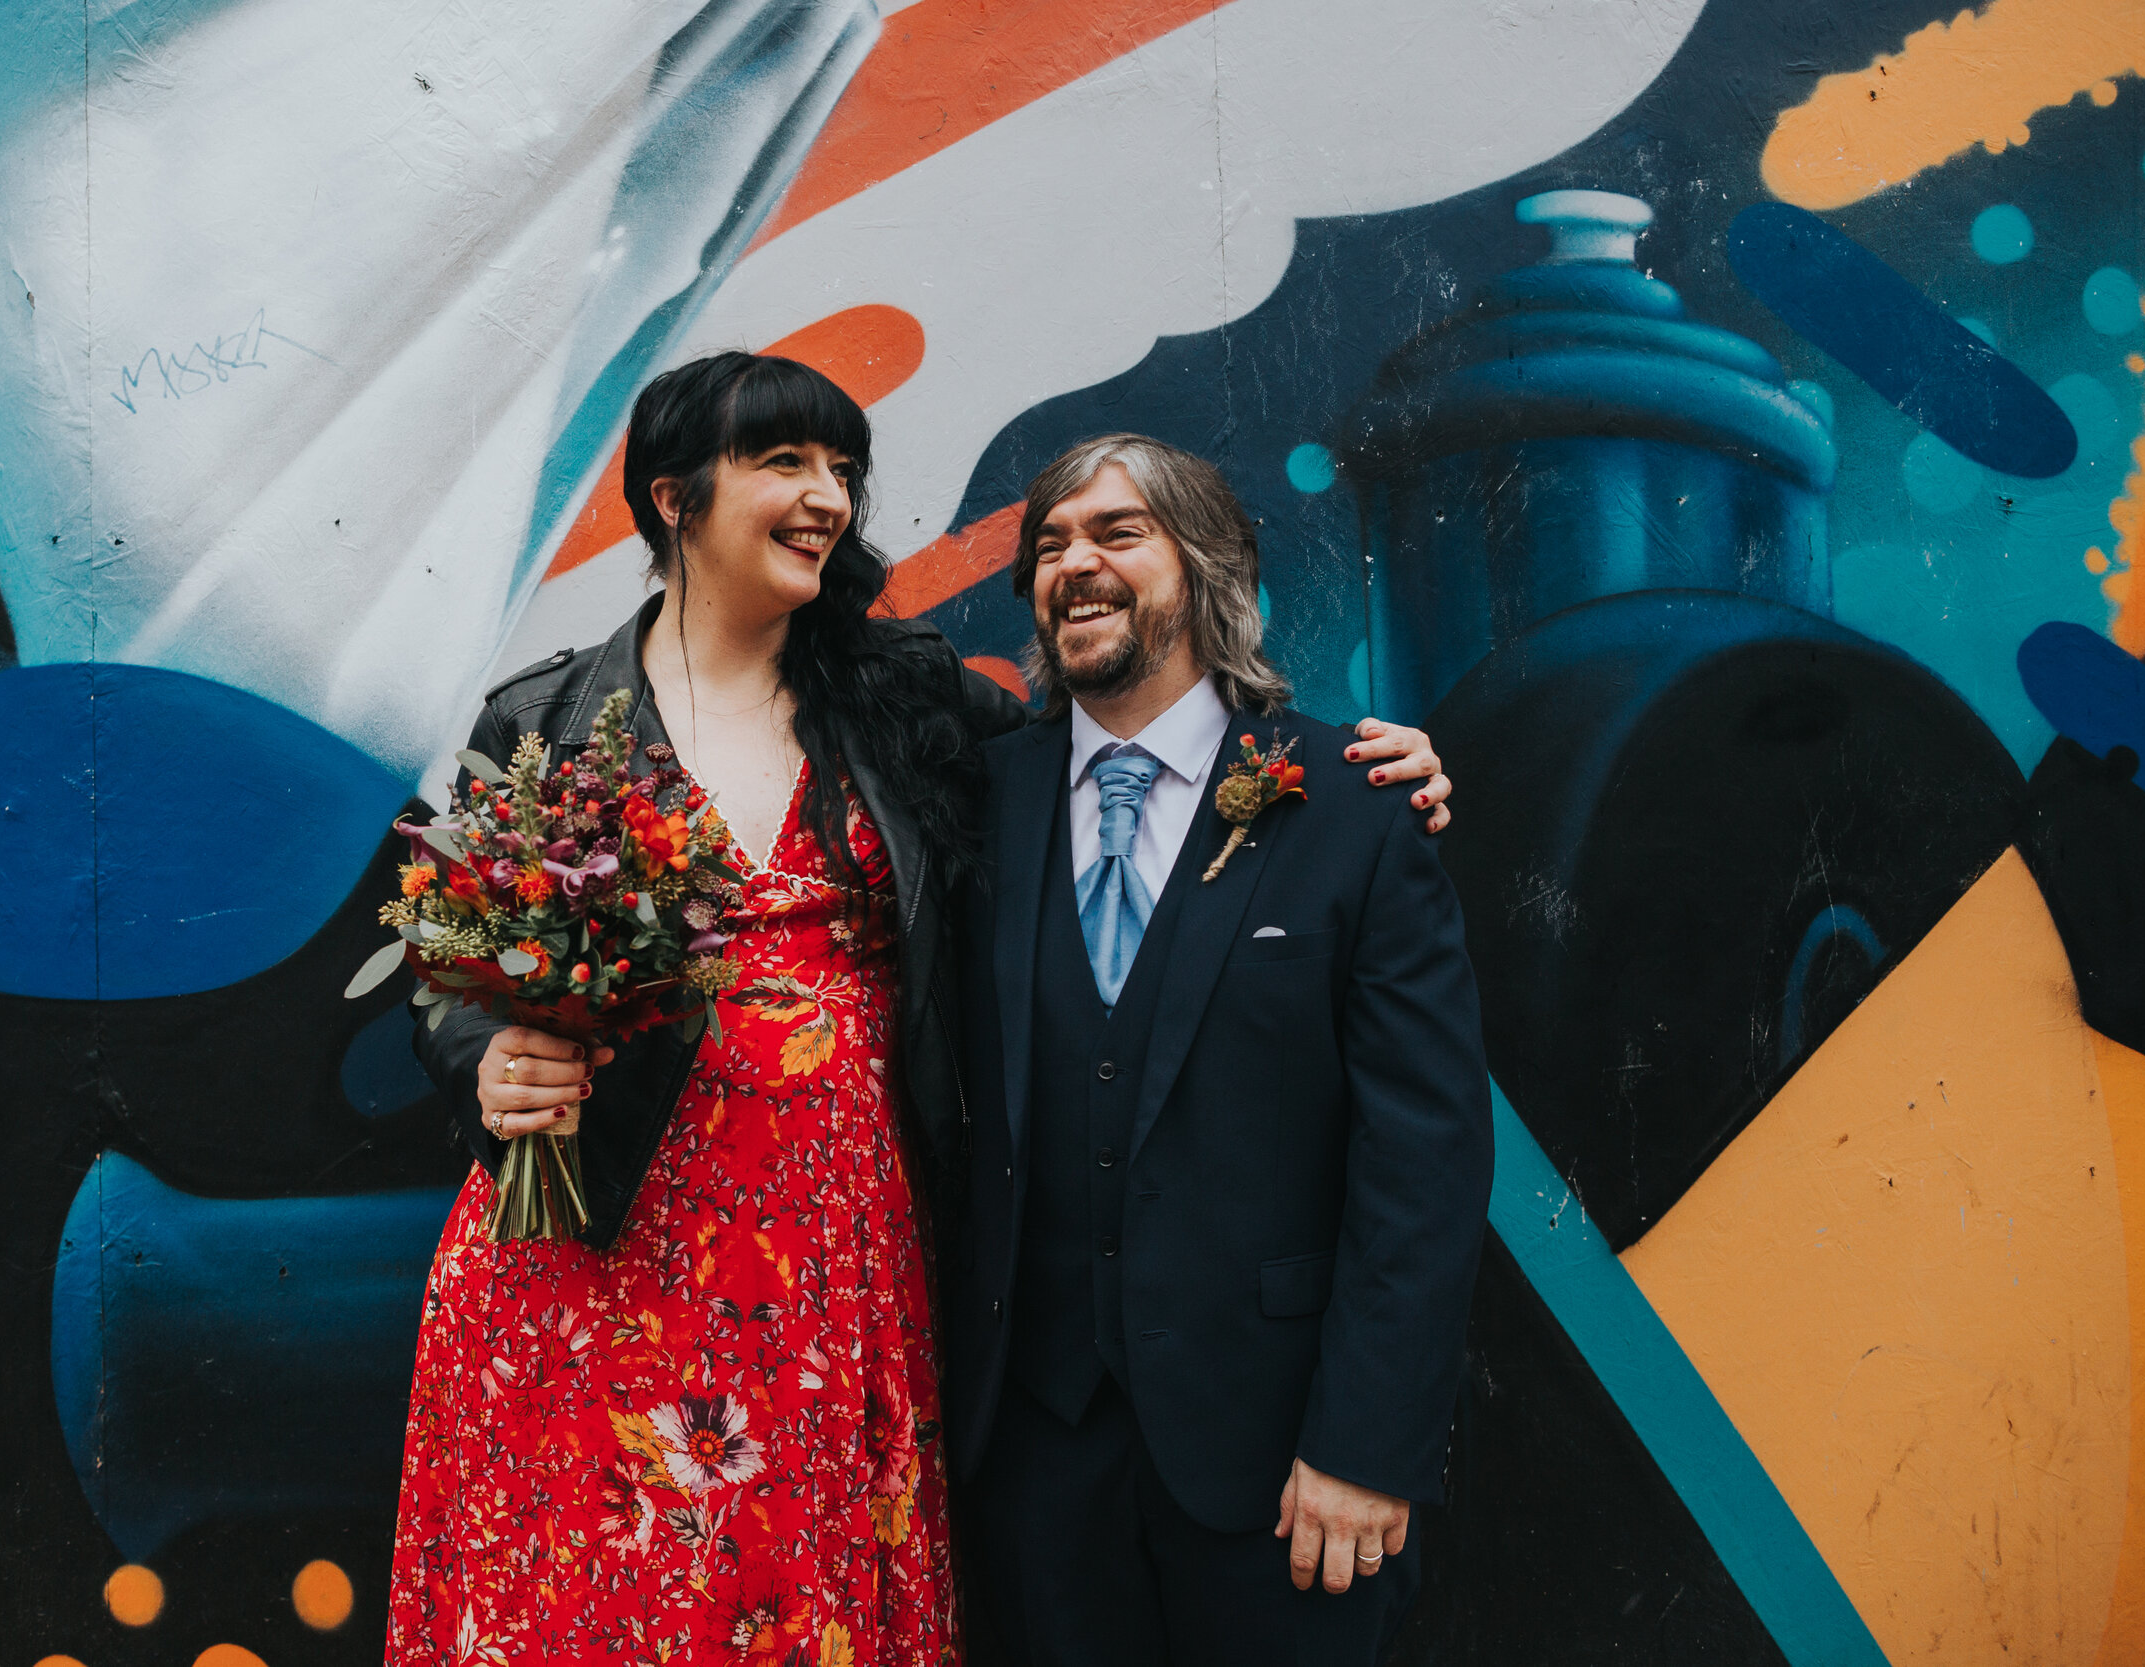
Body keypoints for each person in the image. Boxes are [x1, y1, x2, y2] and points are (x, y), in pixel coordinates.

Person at [383, 356, 1453, 1664]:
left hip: (834, 1268)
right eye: (786, 463)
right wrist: (485, 1056)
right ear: (676, 497)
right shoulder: (543, 713)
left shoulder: (904, 695)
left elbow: (1131, 746)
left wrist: (1348, 762)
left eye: (841, 468)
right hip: (602, 1253)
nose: (827, 496)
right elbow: (450, 950)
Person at [946, 434, 1494, 1667]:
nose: (1074, 562)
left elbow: (1427, 1155)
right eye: (1050, 543)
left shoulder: (1353, 802)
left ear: (1205, 566)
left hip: (1287, 1475)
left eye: (1117, 531)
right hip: (1034, 1466)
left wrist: (1367, 1442)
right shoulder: (969, 802)